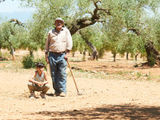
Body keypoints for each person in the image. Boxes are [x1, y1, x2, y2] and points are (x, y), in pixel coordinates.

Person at [45, 18, 73, 97]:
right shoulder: (50, 32)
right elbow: (47, 44)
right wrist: (46, 55)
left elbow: (69, 42)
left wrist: (67, 53)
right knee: (53, 74)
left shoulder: (66, 31)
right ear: (54, 24)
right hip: (52, 55)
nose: (58, 23)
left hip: (62, 55)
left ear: (63, 24)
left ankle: (62, 91)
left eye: (60, 22)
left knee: (62, 73)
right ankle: (56, 91)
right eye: (57, 22)